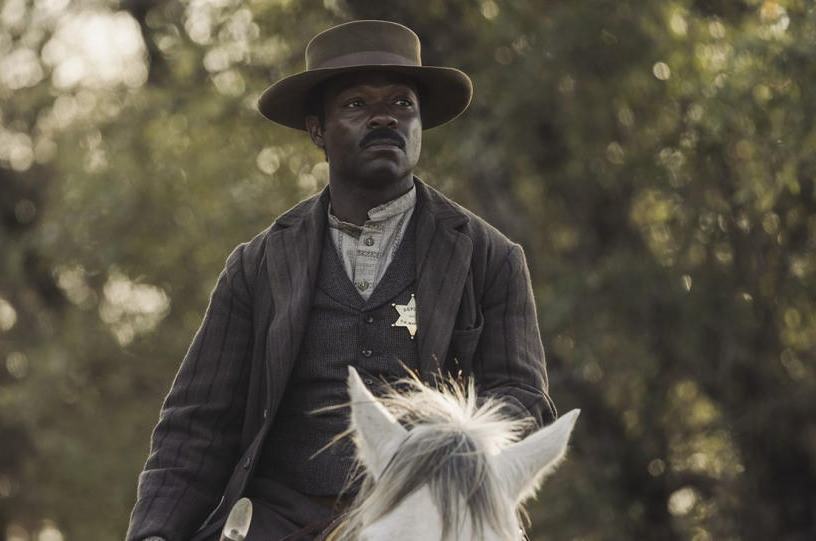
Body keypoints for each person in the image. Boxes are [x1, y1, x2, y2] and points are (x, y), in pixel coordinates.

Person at [126, 20, 556, 541]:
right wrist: (155, 534)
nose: (384, 119)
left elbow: (520, 400)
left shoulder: (492, 259)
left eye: (402, 104)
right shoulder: (255, 266)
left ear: (420, 125)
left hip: (428, 515)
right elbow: (196, 424)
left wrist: (444, 467)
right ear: (316, 131)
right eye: (356, 105)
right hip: (277, 522)